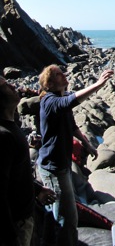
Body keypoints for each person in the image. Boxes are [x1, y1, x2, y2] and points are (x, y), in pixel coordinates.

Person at [37, 65, 113, 246]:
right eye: (58, 74)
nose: (63, 75)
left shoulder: (59, 99)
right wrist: (98, 84)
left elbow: (72, 126)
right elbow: (71, 101)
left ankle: (48, 240)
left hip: (60, 166)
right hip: (53, 168)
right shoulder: (49, 101)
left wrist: (88, 145)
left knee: (56, 212)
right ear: (49, 83)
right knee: (68, 218)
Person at [0, 76, 56, 246]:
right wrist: (10, 237)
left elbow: (16, 173)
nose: (13, 85)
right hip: (15, 225)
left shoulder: (11, 127)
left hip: (25, 217)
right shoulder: (3, 136)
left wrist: (37, 189)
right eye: (5, 85)